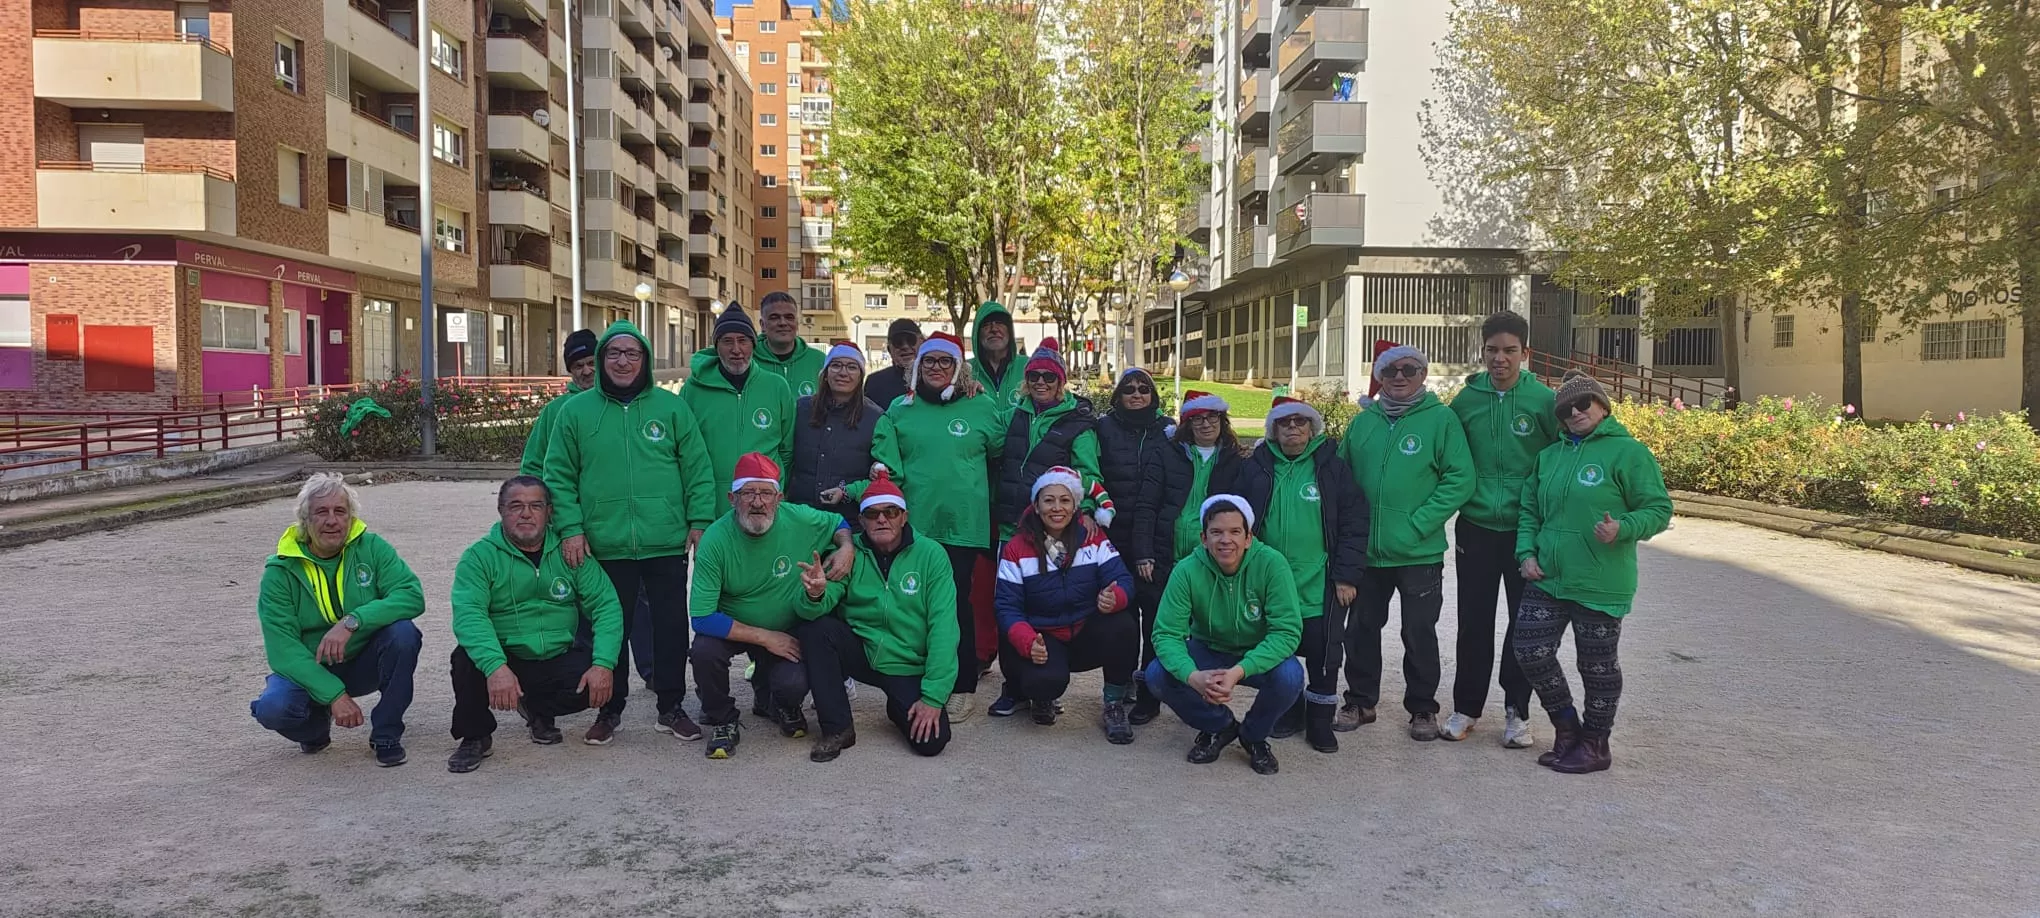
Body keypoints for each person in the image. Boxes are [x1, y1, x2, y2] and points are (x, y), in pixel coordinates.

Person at [543, 320, 717, 745]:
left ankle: (671, 707)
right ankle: (610, 709)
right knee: (610, 629)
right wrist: (571, 528)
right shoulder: (575, 412)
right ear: (602, 358)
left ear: (645, 359)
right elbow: (558, 475)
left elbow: (697, 468)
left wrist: (700, 521)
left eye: (632, 353)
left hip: (665, 541)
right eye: (614, 353)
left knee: (671, 628)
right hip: (605, 544)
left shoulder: (671, 408)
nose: (623, 361)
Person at [1514, 371, 1671, 774]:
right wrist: (1526, 553)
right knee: (1530, 651)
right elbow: (1530, 511)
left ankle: (1596, 744)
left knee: (1597, 666)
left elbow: (1658, 509)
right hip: (1548, 577)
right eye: (1565, 409)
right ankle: (1567, 729)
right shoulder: (1549, 456)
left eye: (1583, 403)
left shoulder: (1630, 453)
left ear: (1602, 406)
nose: (1575, 412)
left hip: (1600, 580)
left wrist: (1624, 528)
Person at [854, 331, 1004, 722]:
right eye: (930, 361)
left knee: (955, 605)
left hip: (962, 526)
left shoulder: (981, 406)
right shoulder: (899, 410)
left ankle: (963, 686)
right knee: (916, 604)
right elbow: (886, 465)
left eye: (945, 361)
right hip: (915, 525)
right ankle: (927, 678)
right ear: (918, 367)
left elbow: (1001, 452)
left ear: (958, 368)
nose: (937, 367)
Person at [1338, 345, 1474, 741]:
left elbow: (1460, 479)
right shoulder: (1363, 423)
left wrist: (1418, 525)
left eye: (1409, 369)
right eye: (1390, 370)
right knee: (1360, 629)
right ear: (1379, 376)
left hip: (1419, 552)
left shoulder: (1441, 420)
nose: (1399, 376)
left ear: (1423, 374)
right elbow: (1342, 477)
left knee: (1419, 632)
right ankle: (1360, 701)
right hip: (1367, 553)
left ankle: (1422, 708)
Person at [446, 476, 624, 773]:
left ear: (549, 512)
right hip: (507, 655)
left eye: (535, 506)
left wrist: (603, 664)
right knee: (465, 659)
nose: (526, 514)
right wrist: (495, 667)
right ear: (501, 510)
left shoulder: (571, 553)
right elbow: (469, 614)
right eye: (516, 506)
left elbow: (606, 605)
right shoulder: (478, 557)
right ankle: (475, 736)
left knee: (599, 679)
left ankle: (536, 710)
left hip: (556, 652)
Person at [249, 473, 424, 767]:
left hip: (362, 661)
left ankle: (386, 734)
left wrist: (353, 621)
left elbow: (412, 595)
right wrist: (334, 695)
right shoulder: (280, 572)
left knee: (404, 634)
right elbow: (283, 650)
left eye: (340, 511)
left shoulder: (371, 547)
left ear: (350, 517)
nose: (332, 520)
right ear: (305, 520)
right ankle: (315, 728)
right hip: (311, 666)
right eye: (321, 512)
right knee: (273, 709)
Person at [689, 453, 855, 759]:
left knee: (793, 682)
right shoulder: (715, 539)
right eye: (747, 493)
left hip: (786, 623)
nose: (757, 502)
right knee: (704, 652)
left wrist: (846, 546)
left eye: (766, 493)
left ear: (779, 498)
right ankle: (722, 717)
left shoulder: (800, 518)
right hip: (738, 626)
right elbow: (701, 617)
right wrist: (766, 637)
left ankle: (777, 703)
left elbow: (839, 522)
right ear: (731, 499)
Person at [1446, 312, 1561, 747]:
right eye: (1492, 350)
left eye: (1510, 351)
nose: (1500, 359)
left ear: (1525, 353)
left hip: (1525, 532)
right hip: (1475, 527)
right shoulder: (1466, 400)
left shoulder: (1544, 401)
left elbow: (1562, 456)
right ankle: (1466, 708)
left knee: (1522, 625)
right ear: (1482, 352)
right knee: (1473, 622)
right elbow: (1447, 455)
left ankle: (1517, 712)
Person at [1234, 396, 1368, 753]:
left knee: (1324, 652)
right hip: (1269, 582)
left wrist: (1346, 575)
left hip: (1320, 581)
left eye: (1300, 421)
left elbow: (1354, 523)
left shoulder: (1332, 468)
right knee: (1279, 648)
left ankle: (1320, 720)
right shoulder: (1256, 468)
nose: (1293, 428)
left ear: (1312, 429)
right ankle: (1290, 710)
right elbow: (1237, 520)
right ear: (1273, 431)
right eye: (1284, 422)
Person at [796, 472, 957, 761]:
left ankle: (898, 706)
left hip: (907, 662)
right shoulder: (851, 553)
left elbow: (944, 628)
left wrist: (933, 697)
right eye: (872, 514)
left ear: (904, 517)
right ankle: (837, 728)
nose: (881, 519)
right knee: (816, 629)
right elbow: (818, 605)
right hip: (863, 649)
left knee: (932, 742)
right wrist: (816, 593)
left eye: (890, 512)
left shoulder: (932, 555)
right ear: (861, 520)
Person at [1143, 496, 1304, 775]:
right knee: (1157, 675)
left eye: (1235, 531)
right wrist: (1193, 677)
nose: (1225, 540)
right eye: (1216, 532)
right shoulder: (1186, 570)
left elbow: (1286, 632)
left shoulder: (1272, 564)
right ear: (1204, 538)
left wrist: (1239, 671)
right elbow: (1166, 634)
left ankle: (1253, 736)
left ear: (1248, 538)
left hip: (1256, 652)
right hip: (1208, 649)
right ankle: (1220, 726)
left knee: (1290, 677)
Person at [990, 467, 1139, 742]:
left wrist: (1115, 597)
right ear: (1036, 506)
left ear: (1075, 505)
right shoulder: (1016, 548)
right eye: (1049, 500)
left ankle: (1113, 703)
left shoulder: (1093, 537)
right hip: (1044, 636)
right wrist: (1027, 641)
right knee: (1043, 682)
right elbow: (1006, 606)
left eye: (1065, 500)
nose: (1057, 508)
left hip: (1085, 630)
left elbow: (1123, 579)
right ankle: (1038, 696)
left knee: (1123, 624)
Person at [1094, 368, 1188, 725]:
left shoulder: (1168, 431)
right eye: (1129, 389)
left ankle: (1149, 692)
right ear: (1118, 395)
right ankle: (1117, 687)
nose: (1137, 394)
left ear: (1153, 395)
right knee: (1120, 617)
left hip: (1155, 539)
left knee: (1154, 618)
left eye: (1144, 389)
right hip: (1113, 536)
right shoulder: (1102, 428)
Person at [994, 338, 1106, 543]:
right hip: (1009, 527)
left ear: (1060, 382)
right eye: (1034, 375)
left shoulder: (1078, 423)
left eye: (1049, 377)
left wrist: (1087, 511)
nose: (1040, 382)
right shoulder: (1012, 415)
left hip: (1052, 529)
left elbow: (1088, 473)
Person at [682, 302, 796, 501]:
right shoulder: (693, 389)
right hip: (712, 498)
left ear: (753, 344)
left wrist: (773, 485)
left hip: (763, 500)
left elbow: (787, 449)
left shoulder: (777, 386)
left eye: (743, 341)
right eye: (727, 341)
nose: (736, 349)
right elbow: (685, 452)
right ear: (716, 346)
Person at [793, 342, 884, 521]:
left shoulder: (876, 417)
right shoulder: (801, 409)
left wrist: (847, 492)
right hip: (800, 517)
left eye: (852, 367)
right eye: (836, 365)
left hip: (850, 521)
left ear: (861, 376)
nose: (843, 373)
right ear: (826, 373)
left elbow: (883, 476)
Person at [519, 328, 598, 477]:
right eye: (578, 366)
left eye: (591, 363)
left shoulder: (617, 404)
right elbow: (532, 465)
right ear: (570, 371)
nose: (587, 371)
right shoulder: (554, 410)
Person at [754, 291, 826, 398]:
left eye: (789, 317)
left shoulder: (820, 361)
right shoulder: (749, 361)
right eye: (774, 317)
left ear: (797, 323)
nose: (783, 323)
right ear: (762, 325)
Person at [967, 301, 1025, 408]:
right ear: (977, 333)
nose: (994, 329)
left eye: (999, 322)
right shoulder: (964, 371)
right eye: (986, 325)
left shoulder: (1029, 367)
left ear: (1010, 331)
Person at [864, 318, 921, 409]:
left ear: (922, 345)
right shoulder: (875, 382)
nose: (905, 346)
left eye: (911, 340)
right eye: (898, 342)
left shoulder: (934, 379)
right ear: (889, 349)